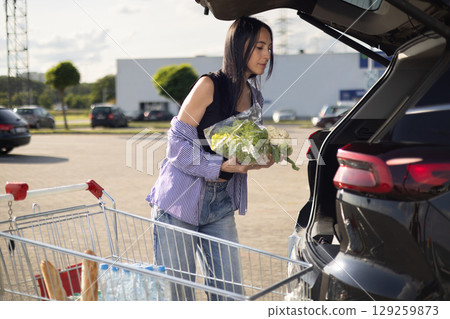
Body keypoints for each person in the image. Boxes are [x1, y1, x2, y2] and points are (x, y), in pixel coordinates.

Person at [146, 16, 274, 300]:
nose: (267, 55)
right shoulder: (209, 85)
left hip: (220, 205)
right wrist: (218, 166)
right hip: (179, 203)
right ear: (239, 47)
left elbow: (239, 148)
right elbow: (176, 145)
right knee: (179, 297)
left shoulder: (255, 97)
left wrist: (261, 156)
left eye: (269, 48)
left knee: (229, 295)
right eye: (260, 47)